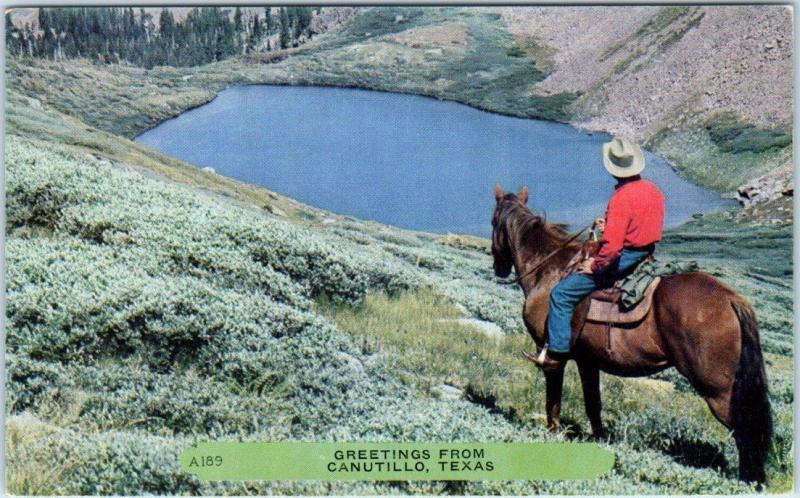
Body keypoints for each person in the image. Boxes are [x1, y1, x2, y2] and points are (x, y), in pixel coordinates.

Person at [533, 137, 665, 370]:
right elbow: (640, 224)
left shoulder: (621, 197)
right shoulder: (652, 189)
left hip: (625, 258)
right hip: (646, 253)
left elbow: (613, 249)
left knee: (561, 294)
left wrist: (593, 266)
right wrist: (611, 226)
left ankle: (556, 354)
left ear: (614, 169)